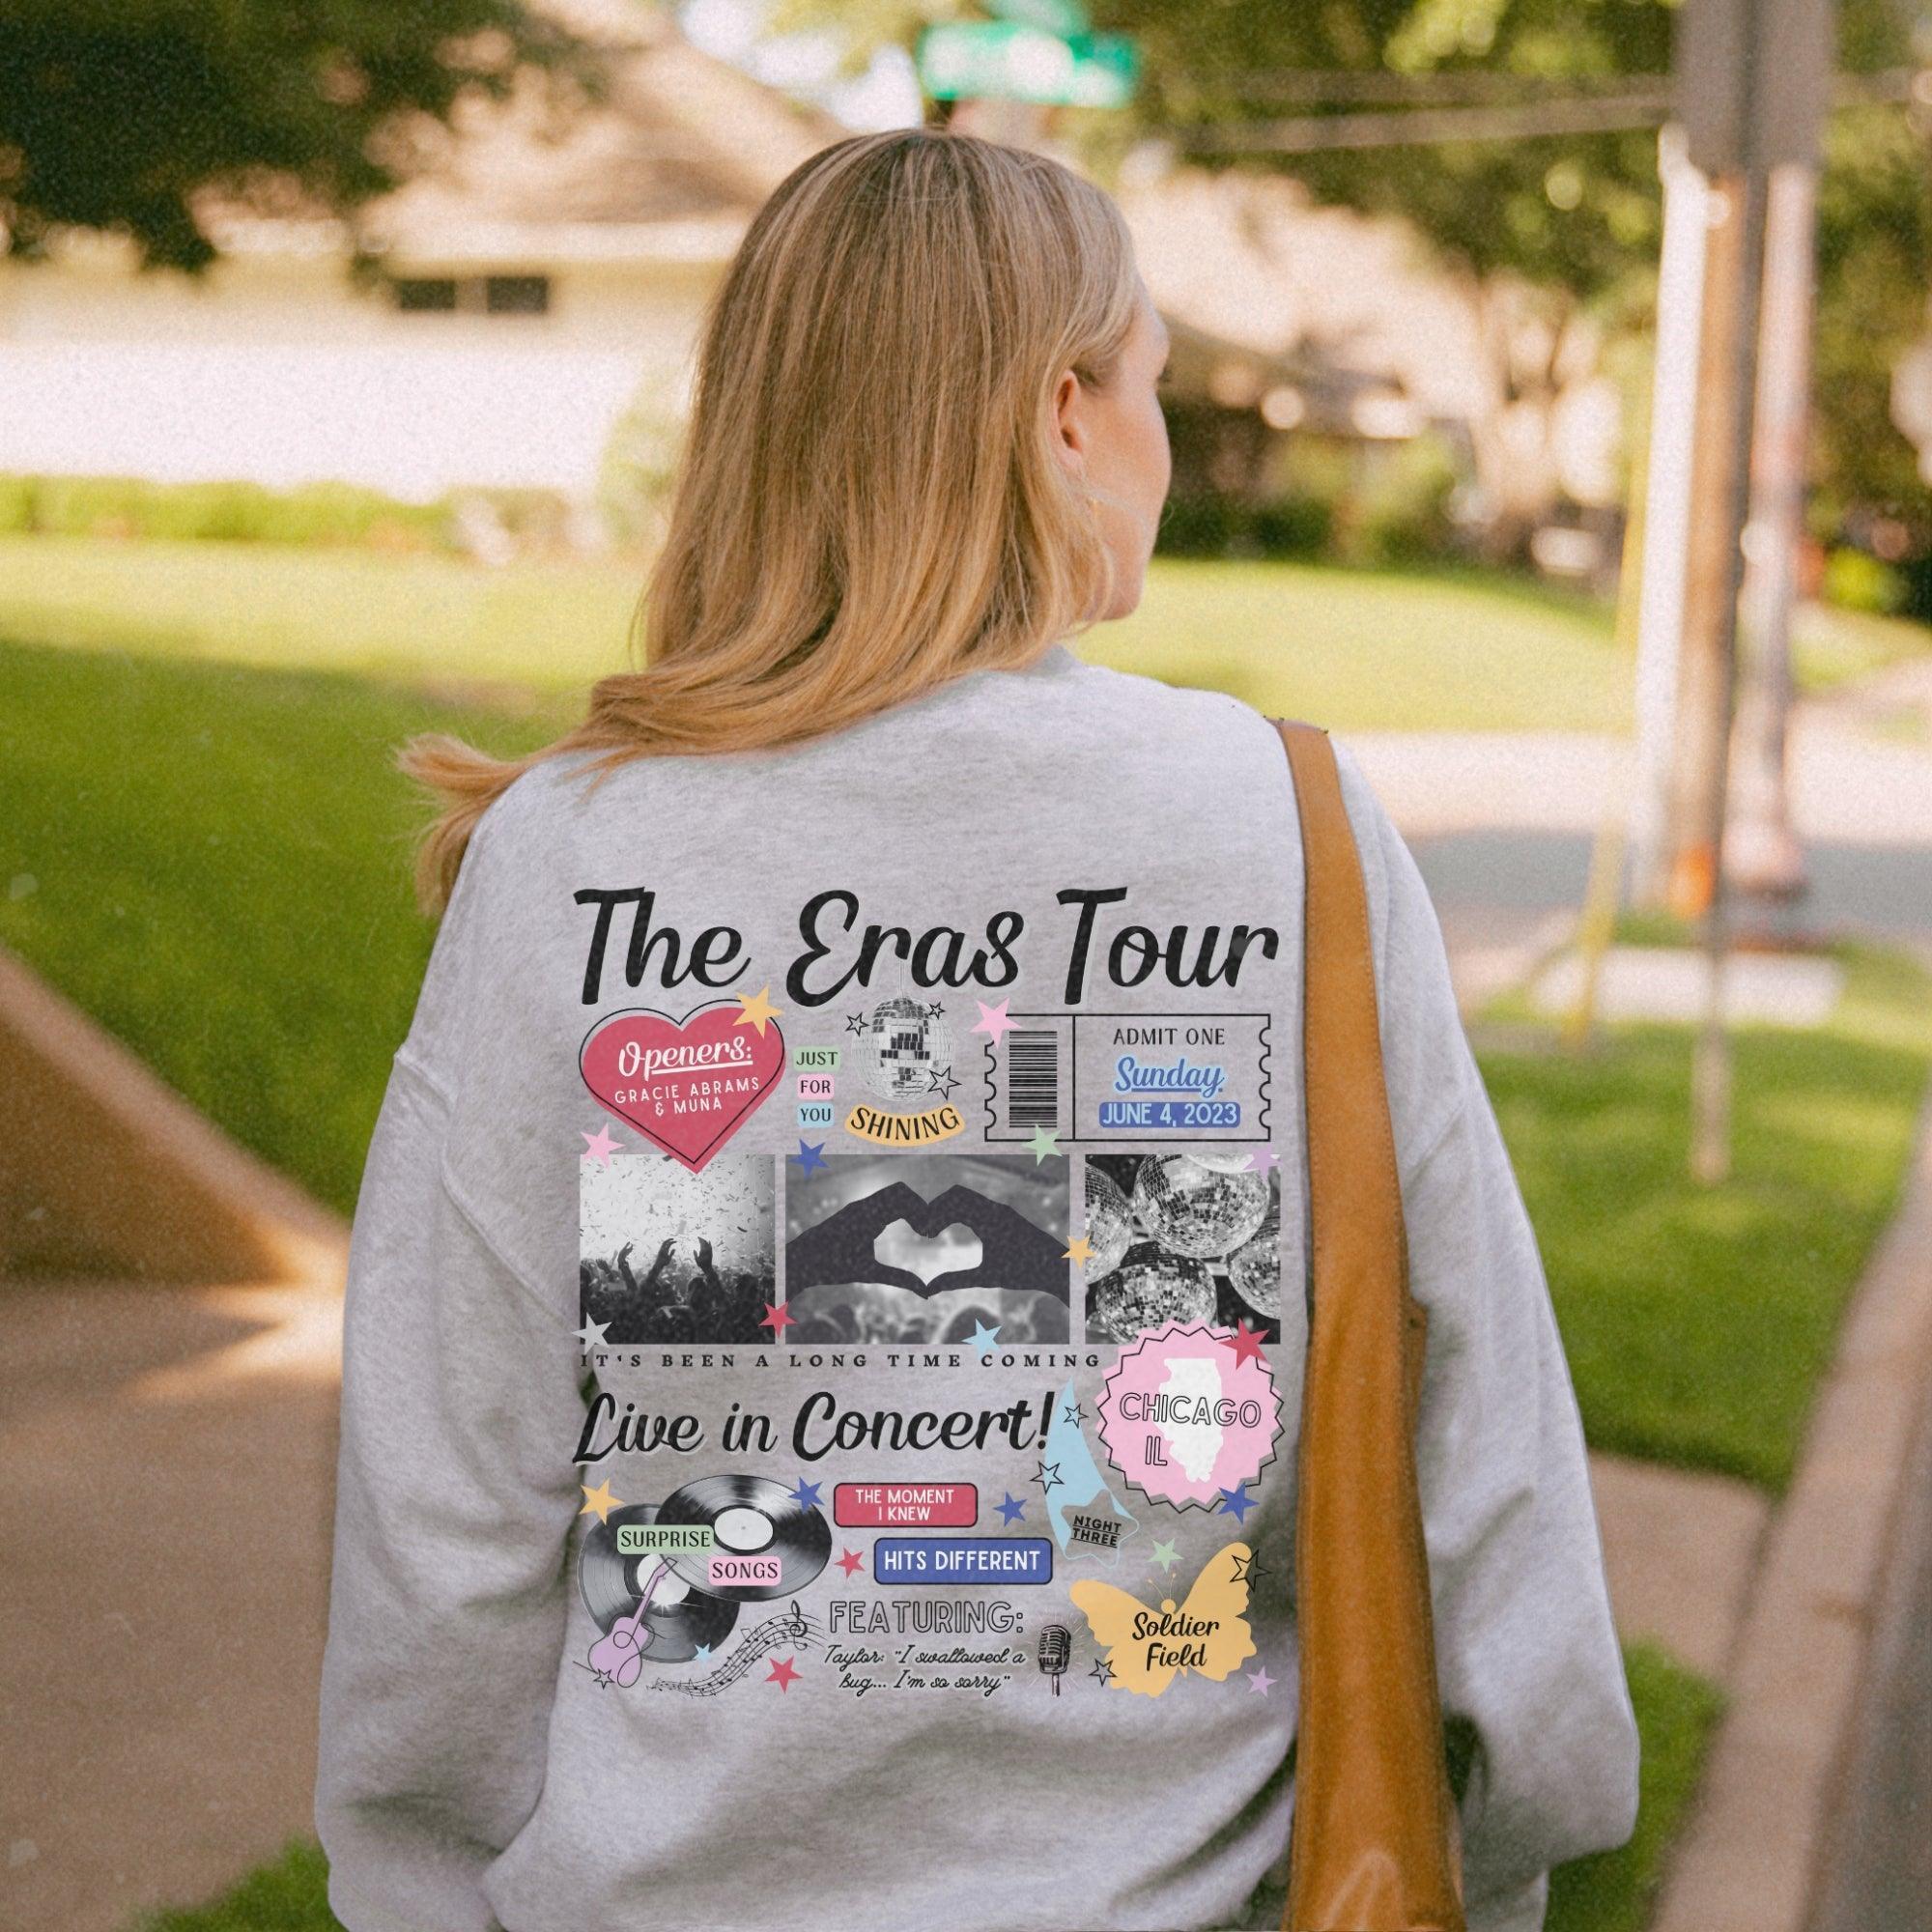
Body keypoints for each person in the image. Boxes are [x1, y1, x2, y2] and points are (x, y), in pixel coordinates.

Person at [314, 129, 1637, 1932]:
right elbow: (1475, 1444)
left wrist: (419, 1880)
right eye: (1156, 386)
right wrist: (1506, 1841)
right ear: (1065, 413)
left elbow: (451, 1492)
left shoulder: (573, 854)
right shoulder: (1283, 823)